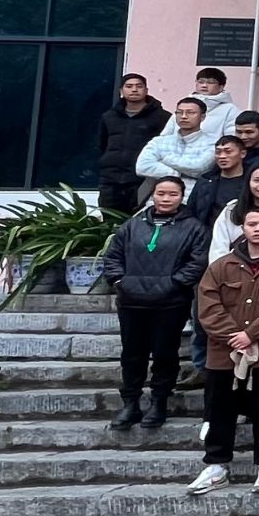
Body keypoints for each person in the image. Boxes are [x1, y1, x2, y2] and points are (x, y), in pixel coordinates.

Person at [187, 203, 259, 495]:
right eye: (252, 224)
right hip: (223, 354)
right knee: (219, 410)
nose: (258, 229)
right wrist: (233, 336)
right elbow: (208, 306)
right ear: (243, 228)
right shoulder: (221, 266)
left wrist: (252, 334)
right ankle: (216, 465)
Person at [102, 177, 207, 431]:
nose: (166, 199)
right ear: (153, 195)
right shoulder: (133, 224)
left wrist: (174, 283)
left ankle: (159, 402)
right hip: (131, 301)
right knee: (132, 354)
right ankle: (130, 403)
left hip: (171, 302)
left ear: (181, 196)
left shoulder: (194, 228)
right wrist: (120, 281)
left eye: (172, 194)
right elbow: (113, 256)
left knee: (164, 353)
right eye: (161, 193)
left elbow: (197, 262)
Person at [98, 73, 169, 214]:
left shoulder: (163, 117)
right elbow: (102, 144)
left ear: (146, 90)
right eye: (129, 86)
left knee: (139, 219)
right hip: (111, 179)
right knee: (109, 218)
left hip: (143, 179)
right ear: (121, 91)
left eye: (139, 86)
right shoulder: (109, 116)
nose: (134, 90)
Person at [136, 97, 215, 186]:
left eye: (190, 113)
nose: (184, 116)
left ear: (202, 117)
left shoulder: (212, 143)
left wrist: (165, 159)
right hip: (160, 190)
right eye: (179, 112)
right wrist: (174, 174)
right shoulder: (159, 141)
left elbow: (199, 168)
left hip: (195, 192)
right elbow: (142, 167)